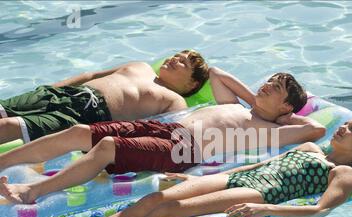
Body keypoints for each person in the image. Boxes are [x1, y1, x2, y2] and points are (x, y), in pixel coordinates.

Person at [17, 117, 352, 217]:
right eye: (346, 124)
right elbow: (254, 166)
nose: (344, 128)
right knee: (154, 198)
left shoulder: (344, 172)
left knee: (166, 213)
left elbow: (321, 210)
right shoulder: (309, 149)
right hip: (241, 179)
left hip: (263, 195)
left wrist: (268, 210)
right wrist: (194, 180)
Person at [0, 72, 323, 204]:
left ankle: (32, 191)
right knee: (79, 133)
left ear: (286, 106)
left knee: (108, 147)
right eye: (269, 81)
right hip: (165, 129)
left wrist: (284, 115)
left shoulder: (272, 129)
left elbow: (316, 129)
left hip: (184, 149)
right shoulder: (236, 106)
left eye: (275, 88)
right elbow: (216, 73)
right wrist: (255, 99)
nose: (266, 85)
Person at [0, 49, 209, 144]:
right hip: (63, 94)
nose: (174, 59)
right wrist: (48, 89)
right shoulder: (141, 66)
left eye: (183, 63)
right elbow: (90, 76)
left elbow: (158, 134)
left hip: (89, 115)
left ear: (192, 83)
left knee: (9, 126)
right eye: (176, 56)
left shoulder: (174, 100)